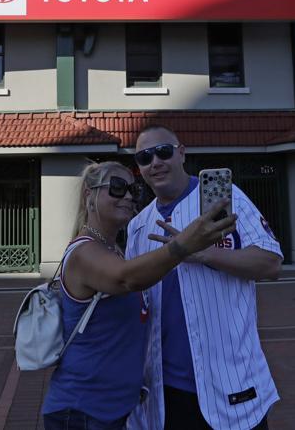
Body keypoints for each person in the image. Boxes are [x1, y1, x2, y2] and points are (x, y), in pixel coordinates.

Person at [42, 161, 236, 430]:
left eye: (134, 189)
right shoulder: (83, 252)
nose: (130, 196)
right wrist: (185, 244)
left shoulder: (114, 250)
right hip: (83, 411)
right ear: (89, 194)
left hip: (114, 410)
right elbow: (127, 278)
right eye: (118, 188)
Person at [126, 125, 282, 430]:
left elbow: (271, 263)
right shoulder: (138, 226)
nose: (155, 162)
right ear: (139, 168)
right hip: (165, 390)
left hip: (232, 383)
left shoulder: (225, 201)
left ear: (182, 153)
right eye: (145, 157)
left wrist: (202, 254)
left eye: (163, 151)